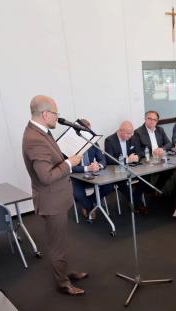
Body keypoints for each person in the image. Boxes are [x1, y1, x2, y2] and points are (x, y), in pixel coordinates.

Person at [22, 95, 87, 296]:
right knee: (57, 245)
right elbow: (46, 177)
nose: (57, 117)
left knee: (62, 241)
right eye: (55, 113)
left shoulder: (41, 131)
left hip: (58, 197)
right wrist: (69, 163)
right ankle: (62, 283)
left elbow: (51, 159)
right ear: (45, 114)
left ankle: (65, 272)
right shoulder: (34, 139)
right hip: (51, 200)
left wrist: (66, 158)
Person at [71, 119, 114, 220]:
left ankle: (88, 203)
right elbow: (70, 166)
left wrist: (98, 165)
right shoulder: (70, 145)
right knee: (78, 194)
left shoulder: (93, 142)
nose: (88, 134)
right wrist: (87, 168)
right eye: (86, 131)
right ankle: (90, 207)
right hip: (76, 177)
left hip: (92, 175)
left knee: (109, 186)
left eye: (89, 131)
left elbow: (103, 159)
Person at [104, 120, 147, 214]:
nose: (130, 136)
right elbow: (109, 160)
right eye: (128, 133)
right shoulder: (109, 140)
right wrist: (127, 160)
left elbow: (140, 151)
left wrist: (137, 157)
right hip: (117, 170)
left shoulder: (133, 137)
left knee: (145, 176)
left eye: (132, 133)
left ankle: (135, 198)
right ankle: (137, 203)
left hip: (132, 167)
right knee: (122, 182)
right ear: (120, 131)